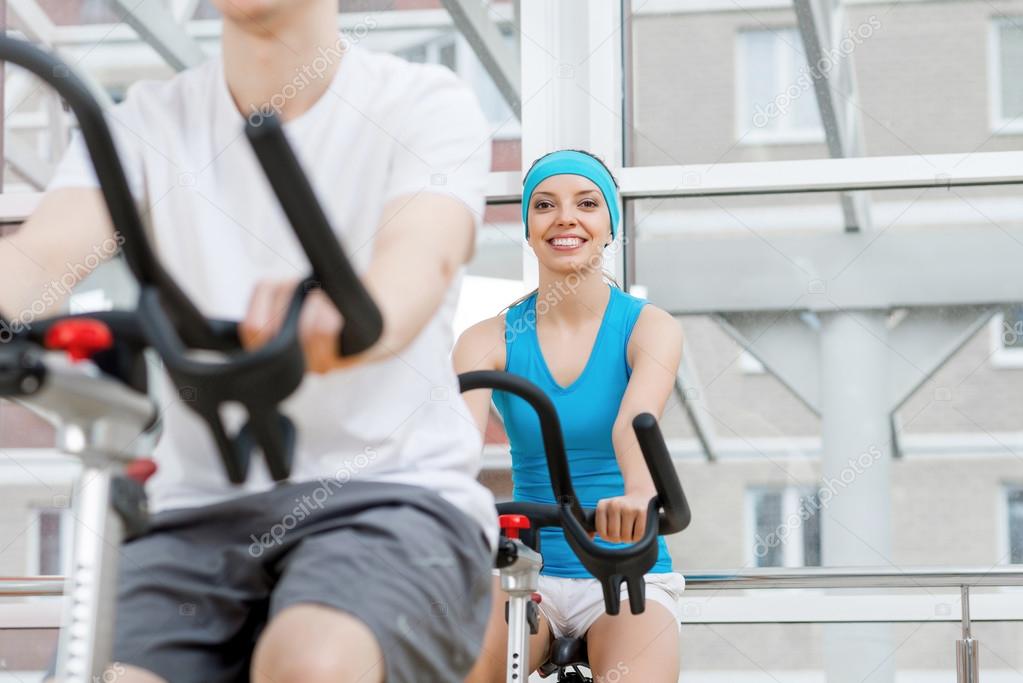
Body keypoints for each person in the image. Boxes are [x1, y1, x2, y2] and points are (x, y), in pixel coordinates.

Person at [0, 2, 498, 682]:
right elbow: (38, 259)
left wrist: (346, 315)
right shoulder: (144, 122)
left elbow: (419, 262)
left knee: (310, 663)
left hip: (389, 494)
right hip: (195, 512)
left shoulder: (424, 103)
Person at [455, 150, 686, 682]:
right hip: (522, 564)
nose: (565, 218)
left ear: (609, 226)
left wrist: (636, 493)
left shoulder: (649, 328)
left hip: (626, 566)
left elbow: (636, 424)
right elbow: (455, 452)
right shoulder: (485, 339)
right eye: (544, 205)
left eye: (586, 203)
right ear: (529, 230)